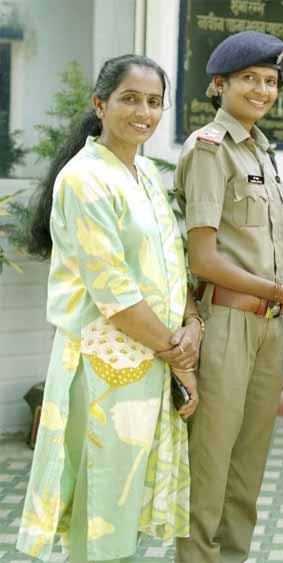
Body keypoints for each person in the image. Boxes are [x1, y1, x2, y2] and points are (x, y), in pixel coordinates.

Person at [16, 54, 196, 562]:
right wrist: (179, 355)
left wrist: (189, 329)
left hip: (148, 363)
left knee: (125, 511)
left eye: (154, 102)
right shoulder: (85, 179)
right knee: (100, 516)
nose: (143, 112)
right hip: (104, 370)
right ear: (100, 104)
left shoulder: (142, 174)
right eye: (130, 99)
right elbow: (114, 294)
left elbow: (169, 264)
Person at [173, 31, 283, 562]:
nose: (263, 90)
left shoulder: (263, 151)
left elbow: (247, 245)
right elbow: (204, 260)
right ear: (219, 84)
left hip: (268, 327)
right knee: (210, 466)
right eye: (250, 79)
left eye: (270, 82)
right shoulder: (209, 151)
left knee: (247, 471)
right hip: (226, 325)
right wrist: (282, 288)